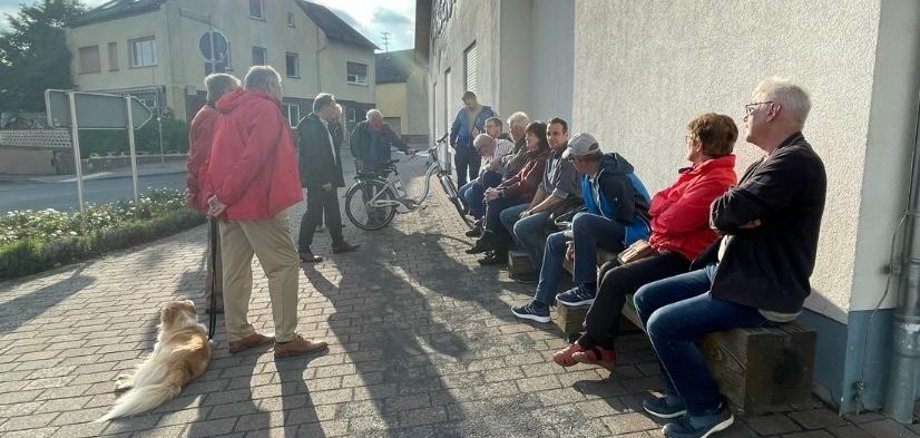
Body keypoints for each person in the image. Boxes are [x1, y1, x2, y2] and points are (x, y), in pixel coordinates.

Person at [633, 78, 826, 438]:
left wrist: (734, 211)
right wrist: (736, 213)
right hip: (732, 271)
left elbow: (724, 211)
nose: (747, 115)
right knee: (647, 296)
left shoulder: (795, 164)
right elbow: (727, 213)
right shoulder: (771, 161)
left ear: (773, 110)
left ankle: (707, 410)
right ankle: (679, 391)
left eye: (752, 107)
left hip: (763, 289)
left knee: (663, 324)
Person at [551, 113, 738, 370]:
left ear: (699, 144)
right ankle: (604, 347)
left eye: (689, 138)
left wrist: (663, 218)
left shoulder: (715, 179)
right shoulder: (695, 174)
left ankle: (588, 341)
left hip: (685, 258)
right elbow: (659, 202)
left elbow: (671, 220)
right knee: (608, 268)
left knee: (616, 278)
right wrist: (664, 215)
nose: (687, 143)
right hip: (664, 245)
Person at [203, 65, 328, 358]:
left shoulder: (226, 111)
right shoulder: (265, 109)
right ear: (270, 85)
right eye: (280, 87)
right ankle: (286, 339)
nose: (282, 93)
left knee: (234, 270)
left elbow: (215, 157)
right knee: (283, 264)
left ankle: (239, 333)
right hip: (258, 202)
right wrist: (225, 194)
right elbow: (254, 157)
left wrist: (217, 196)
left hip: (229, 206)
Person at [510, 133, 652, 322]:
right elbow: (595, 214)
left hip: (633, 234)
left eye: (571, 159)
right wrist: (576, 237)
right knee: (555, 240)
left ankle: (587, 288)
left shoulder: (612, 177)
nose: (571, 163)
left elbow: (624, 218)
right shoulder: (589, 176)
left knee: (581, 220)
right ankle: (540, 305)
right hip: (611, 229)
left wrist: (581, 235)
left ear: (581, 159)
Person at [495, 117, 581, 284]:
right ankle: (530, 258)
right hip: (548, 205)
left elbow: (559, 195)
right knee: (507, 215)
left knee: (521, 227)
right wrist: (530, 209)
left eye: (556, 133)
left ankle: (542, 270)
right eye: (549, 133)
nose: (551, 137)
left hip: (563, 209)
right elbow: (543, 186)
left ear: (566, 134)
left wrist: (533, 211)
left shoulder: (567, 158)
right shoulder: (551, 155)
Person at [186, 73, 240, 314]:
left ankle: (219, 298)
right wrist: (202, 193)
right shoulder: (212, 118)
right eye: (235, 90)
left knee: (221, 248)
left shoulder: (207, 114)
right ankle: (217, 300)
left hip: (212, 193)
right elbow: (203, 160)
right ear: (225, 92)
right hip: (215, 195)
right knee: (220, 249)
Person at [467, 122, 551, 265]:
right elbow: (517, 176)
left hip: (530, 198)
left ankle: (496, 246)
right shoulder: (533, 155)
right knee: (493, 200)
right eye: (527, 134)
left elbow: (527, 184)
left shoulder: (541, 158)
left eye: (531, 135)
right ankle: (494, 246)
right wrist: (498, 189)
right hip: (522, 194)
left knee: (500, 208)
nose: (527, 138)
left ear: (540, 138)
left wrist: (500, 194)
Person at [296, 93, 360, 263]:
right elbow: (313, 155)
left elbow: (331, 150)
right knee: (313, 212)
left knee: (332, 211)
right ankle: (303, 249)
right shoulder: (310, 125)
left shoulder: (325, 124)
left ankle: (338, 243)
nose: (334, 109)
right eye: (332, 106)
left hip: (328, 177)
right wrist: (324, 180)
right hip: (318, 179)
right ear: (323, 107)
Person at [460, 133, 514, 233]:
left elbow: (493, 166)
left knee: (482, 182)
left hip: (507, 180)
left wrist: (483, 172)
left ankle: (484, 221)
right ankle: (481, 220)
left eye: (479, 149)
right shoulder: (489, 151)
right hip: (497, 179)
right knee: (472, 188)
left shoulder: (501, 145)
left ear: (485, 144)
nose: (479, 153)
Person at [449, 91, 496, 187]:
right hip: (461, 146)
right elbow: (455, 127)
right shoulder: (462, 112)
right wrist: (452, 142)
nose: (468, 106)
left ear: (474, 99)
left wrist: (481, 135)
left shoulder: (487, 112)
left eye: (469, 103)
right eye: (466, 104)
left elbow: (492, 130)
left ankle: (471, 198)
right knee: (461, 176)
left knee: (474, 175)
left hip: (476, 148)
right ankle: (461, 200)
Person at [350, 109, 415, 172]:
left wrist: (406, 149)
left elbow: (395, 140)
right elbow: (354, 144)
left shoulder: (385, 128)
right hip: (366, 161)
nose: (379, 124)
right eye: (376, 121)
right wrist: (359, 158)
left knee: (382, 181)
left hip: (382, 161)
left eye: (380, 121)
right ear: (369, 120)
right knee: (368, 181)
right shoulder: (361, 128)